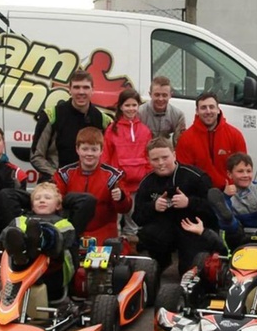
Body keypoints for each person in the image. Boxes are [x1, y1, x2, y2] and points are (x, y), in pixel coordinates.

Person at [133, 137, 216, 275]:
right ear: (148, 160)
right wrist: (153, 206)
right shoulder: (147, 182)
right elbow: (137, 217)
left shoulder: (196, 177)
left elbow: (213, 212)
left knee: (188, 272)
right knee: (147, 234)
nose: (160, 163)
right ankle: (161, 262)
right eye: (155, 159)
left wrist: (189, 202)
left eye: (165, 157)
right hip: (164, 229)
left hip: (192, 229)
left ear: (174, 155)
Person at [31, 70, 113, 182]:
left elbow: (109, 158)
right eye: (76, 87)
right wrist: (59, 177)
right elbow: (36, 156)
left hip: (90, 184)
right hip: (55, 182)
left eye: (85, 87)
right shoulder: (51, 115)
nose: (81, 92)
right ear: (69, 90)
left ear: (92, 90)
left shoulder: (104, 121)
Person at [0, 183, 77, 302]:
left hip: (51, 271)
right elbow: (4, 237)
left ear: (58, 205)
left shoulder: (64, 223)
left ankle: (39, 242)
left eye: (47, 198)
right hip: (21, 270)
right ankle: (22, 255)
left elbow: (66, 242)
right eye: (37, 198)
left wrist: (43, 236)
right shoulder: (20, 220)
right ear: (32, 206)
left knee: (53, 235)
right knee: (12, 232)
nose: (42, 201)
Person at [55, 127, 132, 245]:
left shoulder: (114, 176)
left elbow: (125, 208)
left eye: (94, 149)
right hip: (70, 231)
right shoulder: (64, 174)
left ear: (101, 150)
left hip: (103, 233)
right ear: (77, 149)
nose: (89, 154)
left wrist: (121, 198)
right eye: (85, 149)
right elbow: (56, 203)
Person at [102, 88, 152, 240]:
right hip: (118, 185)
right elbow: (105, 156)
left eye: (134, 105)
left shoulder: (145, 130)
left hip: (138, 184)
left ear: (138, 106)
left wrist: (147, 176)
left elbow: (149, 156)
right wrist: (110, 179)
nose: (131, 109)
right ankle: (113, 247)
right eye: (127, 105)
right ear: (121, 107)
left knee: (133, 222)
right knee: (114, 221)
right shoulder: (112, 130)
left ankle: (131, 248)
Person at [175, 90, 247, 189]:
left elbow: (243, 169)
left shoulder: (235, 135)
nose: (208, 111)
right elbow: (184, 174)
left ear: (218, 109)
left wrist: (232, 188)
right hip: (200, 194)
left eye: (211, 107)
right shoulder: (186, 139)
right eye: (203, 108)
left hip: (231, 192)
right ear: (197, 111)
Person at [207, 152, 257, 233]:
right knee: (227, 223)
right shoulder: (228, 194)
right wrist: (226, 197)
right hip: (241, 233)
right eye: (240, 171)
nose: (245, 175)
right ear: (229, 174)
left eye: (249, 171)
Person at [139, 75, 186, 146]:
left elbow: (179, 143)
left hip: (166, 154)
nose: (160, 99)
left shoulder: (178, 115)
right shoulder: (140, 113)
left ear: (170, 95)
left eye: (164, 95)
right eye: (157, 95)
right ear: (150, 94)